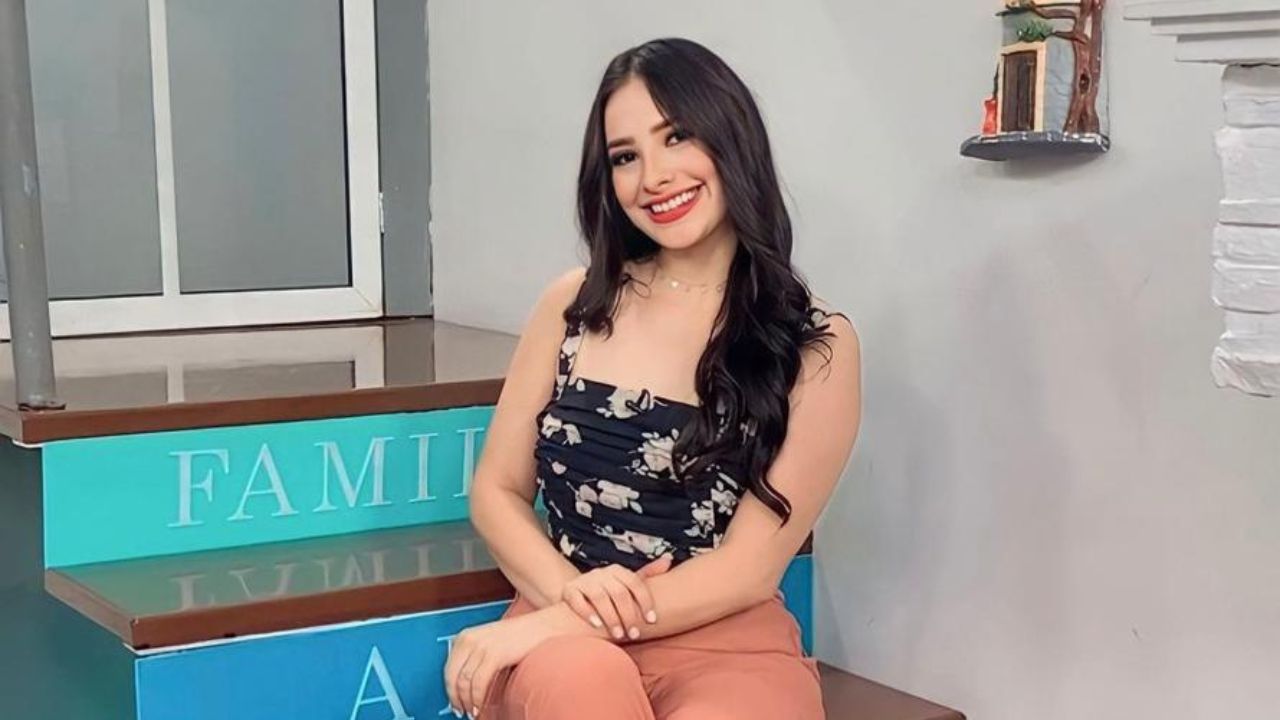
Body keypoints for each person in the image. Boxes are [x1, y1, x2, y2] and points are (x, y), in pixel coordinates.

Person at [445, 37, 861, 720]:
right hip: (563, 633)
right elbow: (497, 490)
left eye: (676, 137)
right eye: (625, 157)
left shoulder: (816, 345)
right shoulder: (574, 304)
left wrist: (566, 620)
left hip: (725, 644)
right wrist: (567, 602)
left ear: (732, 138)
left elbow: (749, 569)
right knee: (582, 686)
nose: (654, 177)